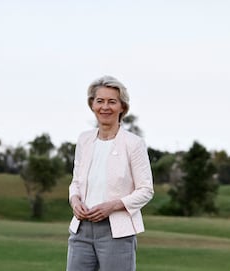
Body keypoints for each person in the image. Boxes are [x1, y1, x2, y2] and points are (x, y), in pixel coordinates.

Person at [66, 75, 154, 271]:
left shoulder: (133, 144)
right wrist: (75, 200)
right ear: (92, 104)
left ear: (122, 107)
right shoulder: (84, 140)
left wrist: (112, 206)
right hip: (81, 231)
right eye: (100, 101)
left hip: (117, 232)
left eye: (112, 102)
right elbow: (76, 182)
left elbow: (146, 190)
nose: (105, 107)